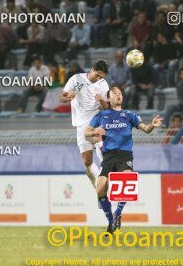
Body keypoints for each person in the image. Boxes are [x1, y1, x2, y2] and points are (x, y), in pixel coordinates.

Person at [85, 86, 162, 234]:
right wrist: (95, 131)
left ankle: (118, 213)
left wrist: (153, 125)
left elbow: (145, 129)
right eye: (114, 93)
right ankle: (111, 222)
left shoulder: (130, 115)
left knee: (127, 180)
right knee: (100, 188)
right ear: (108, 99)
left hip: (124, 155)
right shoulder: (102, 115)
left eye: (120, 93)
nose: (118, 95)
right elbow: (86, 132)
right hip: (108, 156)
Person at [59, 60, 110, 189]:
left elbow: (107, 108)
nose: (98, 78)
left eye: (101, 77)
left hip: (96, 118)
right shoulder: (76, 78)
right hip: (81, 123)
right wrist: (68, 97)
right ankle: (98, 187)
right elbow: (61, 97)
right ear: (92, 69)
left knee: (99, 139)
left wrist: (102, 101)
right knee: (87, 161)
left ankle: (108, 173)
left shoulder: (103, 85)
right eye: (97, 75)